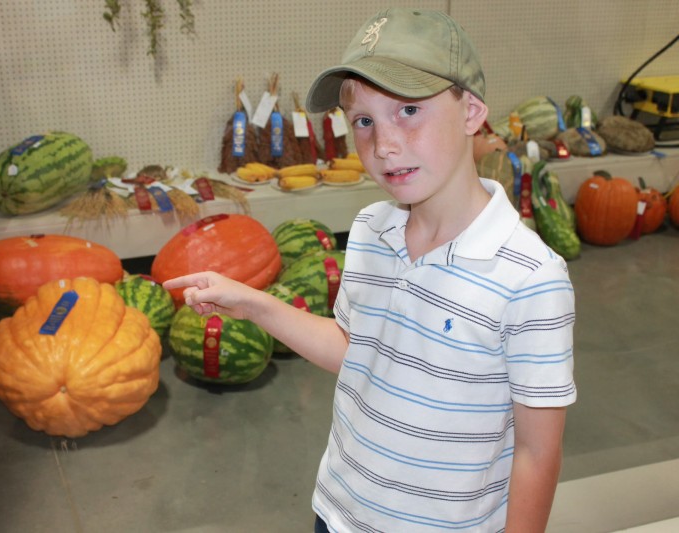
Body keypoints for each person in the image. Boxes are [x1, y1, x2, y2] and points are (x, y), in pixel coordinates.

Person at [164, 7, 576, 532]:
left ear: (471, 112)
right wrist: (253, 303)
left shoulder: (530, 278)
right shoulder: (370, 230)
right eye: (364, 121)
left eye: (408, 110)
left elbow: (538, 454)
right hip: (340, 512)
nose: (383, 145)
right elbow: (358, 352)